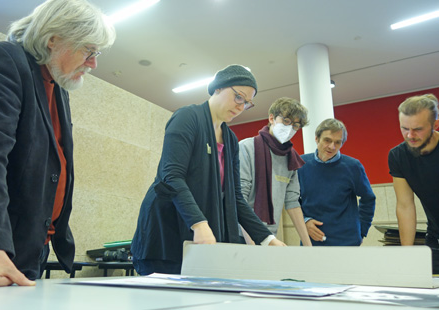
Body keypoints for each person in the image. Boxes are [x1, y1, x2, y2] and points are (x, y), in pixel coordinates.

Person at [0, 0, 115, 286]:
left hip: (28, 253)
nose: (94, 63)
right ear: (53, 39)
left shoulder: (59, 89)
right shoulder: (2, 60)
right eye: (89, 50)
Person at [131, 64, 286, 276]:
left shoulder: (230, 139)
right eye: (238, 97)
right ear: (218, 88)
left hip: (200, 235)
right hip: (167, 233)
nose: (241, 106)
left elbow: (235, 198)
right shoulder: (187, 117)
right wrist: (198, 223)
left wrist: (267, 239)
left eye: (247, 103)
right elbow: (172, 176)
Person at [239, 97, 312, 246]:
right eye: (286, 121)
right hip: (241, 235)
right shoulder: (246, 148)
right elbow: (240, 199)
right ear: (272, 118)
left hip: (270, 235)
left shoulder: (291, 158)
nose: (290, 128)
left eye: (296, 125)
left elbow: (293, 202)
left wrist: (308, 245)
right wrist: (253, 245)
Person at [297, 118, 375, 246]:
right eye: (327, 140)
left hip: (347, 242)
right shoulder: (301, 164)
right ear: (316, 138)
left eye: (337, 142)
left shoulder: (353, 166)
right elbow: (293, 200)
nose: (332, 147)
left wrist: (361, 231)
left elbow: (368, 198)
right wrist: (305, 221)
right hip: (311, 240)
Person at [388, 94, 439, 274]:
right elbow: (405, 206)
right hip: (435, 238)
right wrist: (407, 256)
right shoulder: (398, 156)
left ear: (435, 125)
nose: (410, 135)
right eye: (404, 128)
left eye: (418, 129)